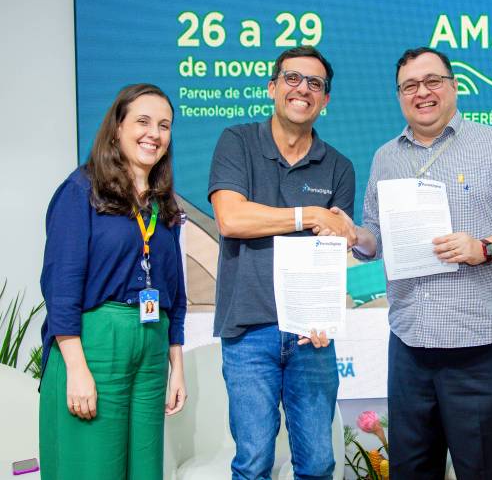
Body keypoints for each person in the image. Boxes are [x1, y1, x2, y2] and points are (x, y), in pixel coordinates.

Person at [329, 47, 492, 479]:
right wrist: (357, 236)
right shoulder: (386, 157)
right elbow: (376, 233)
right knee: (411, 471)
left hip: (480, 348)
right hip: (410, 345)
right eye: (410, 86)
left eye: (432, 81)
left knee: (481, 471)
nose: (422, 92)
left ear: (453, 86)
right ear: (399, 96)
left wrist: (484, 248)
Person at [208, 45, 356, 480]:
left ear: (325, 99)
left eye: (315, 83)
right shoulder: (237, 142)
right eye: (292, 78)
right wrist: (308, 215)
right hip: (248, 331)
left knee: (319, 463)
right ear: (273, 87)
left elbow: (335, 246)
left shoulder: (338, 167)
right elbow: (232, 219)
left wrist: (324, 315)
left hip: (312, 337)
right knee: (253, 462)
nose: (302, 89)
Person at [39, 83, 188, 479]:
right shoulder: (80, 191)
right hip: (95, 345)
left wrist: (176, 366)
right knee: (93, 467)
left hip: (152, 346)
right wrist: (76, 369)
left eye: (164, 126)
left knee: (145, 469)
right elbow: (61, 287)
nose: (154, 134)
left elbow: (175, 293)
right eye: (143, 122)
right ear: (118, 127)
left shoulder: (163, 204)